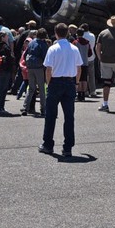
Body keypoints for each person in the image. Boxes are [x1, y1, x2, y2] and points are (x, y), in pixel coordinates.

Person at [39, 22, 83, 158]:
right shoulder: (74, 48)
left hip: (56, 82)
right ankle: (68, 147)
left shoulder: (53, 48)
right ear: (68, 33)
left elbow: (48, 69)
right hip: (70, 82)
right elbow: (79, 68)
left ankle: (48, 144)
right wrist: (76, 82)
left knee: (51, 115)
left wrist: (49, 83)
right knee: (69, 116)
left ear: (56, 33)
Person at [22, 28, 49, 116]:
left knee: (31, 88)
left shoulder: (31, 42)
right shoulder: (43, 44)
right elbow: (45, 57)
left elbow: (25, 54)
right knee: (41, 89)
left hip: (30, 67)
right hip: (39, 68)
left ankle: (25, 107)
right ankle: (43, 109)